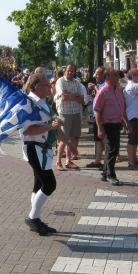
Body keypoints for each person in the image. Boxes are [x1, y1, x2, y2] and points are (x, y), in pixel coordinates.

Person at [21, 73, 63, 236]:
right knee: (49, 184)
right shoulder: (29, 104)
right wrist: (50, 127)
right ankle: (32, 217)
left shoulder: (43, 102)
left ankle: (36, 218)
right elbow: (26, 130)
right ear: (37, 87)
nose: (50, 87)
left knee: (39, 184)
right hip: (34, 147)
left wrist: (66, 142)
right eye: (46, 85)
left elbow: (52, 122)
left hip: (43, 148)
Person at [93, 68, 131, 186]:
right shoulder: (103, 92)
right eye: (115, 74)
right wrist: (100, 128)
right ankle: (111, 174)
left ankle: (105, 173)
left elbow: (122, 108)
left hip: (116, 123)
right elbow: (97, 111)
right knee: (112, 149)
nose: (117, 76)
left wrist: (127, 122)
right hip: (107, 123)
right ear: (108, 78)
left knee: (113, 148)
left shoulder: (118, 90)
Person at [54, 63, 85, 171]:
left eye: (72, 70)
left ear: (75, 72)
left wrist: (72, 96)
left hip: (76, 112)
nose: (70, 72)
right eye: (68, 70)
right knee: (64, 138)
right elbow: (63, 97)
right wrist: (75, 95)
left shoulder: (77, 83)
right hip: (65, 113)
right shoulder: (60, 81)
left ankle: (68, 161)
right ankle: (58, 162)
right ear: (65, 70)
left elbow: (82, 100)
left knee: (72, 138)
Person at [86, 67, 107, 168]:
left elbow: (101, 95)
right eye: (95, 74)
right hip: (96, 116)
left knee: (105, 140)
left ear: (104, 75)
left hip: (104, 117)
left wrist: (95, 87)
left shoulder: (106, 84)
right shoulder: (98, 84)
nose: (95, 76)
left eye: (98, 74)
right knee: (98, 139)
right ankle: (97, 160)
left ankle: (108, 162)